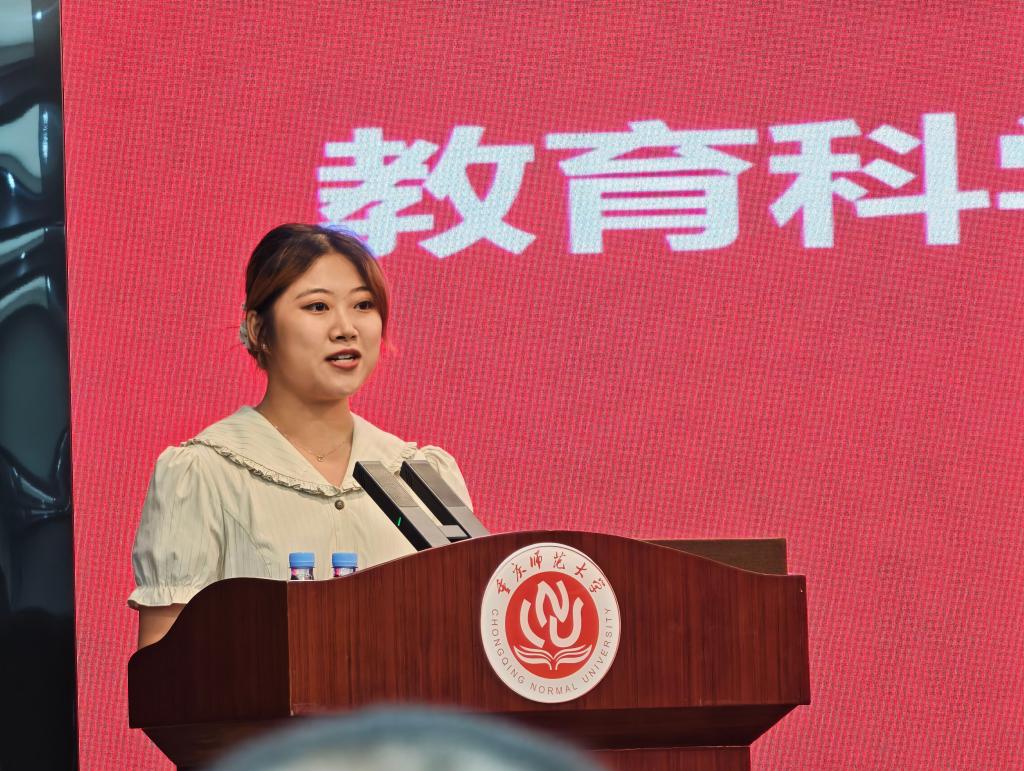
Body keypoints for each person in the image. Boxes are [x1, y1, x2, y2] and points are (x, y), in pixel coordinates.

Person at [128, 224, 472, 648]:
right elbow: (164, 672)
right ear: (259, 329)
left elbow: (472, 640)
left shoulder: (422, 477)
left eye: (363, 305)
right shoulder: (203, 474)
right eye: (317, 307)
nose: (346, 328)